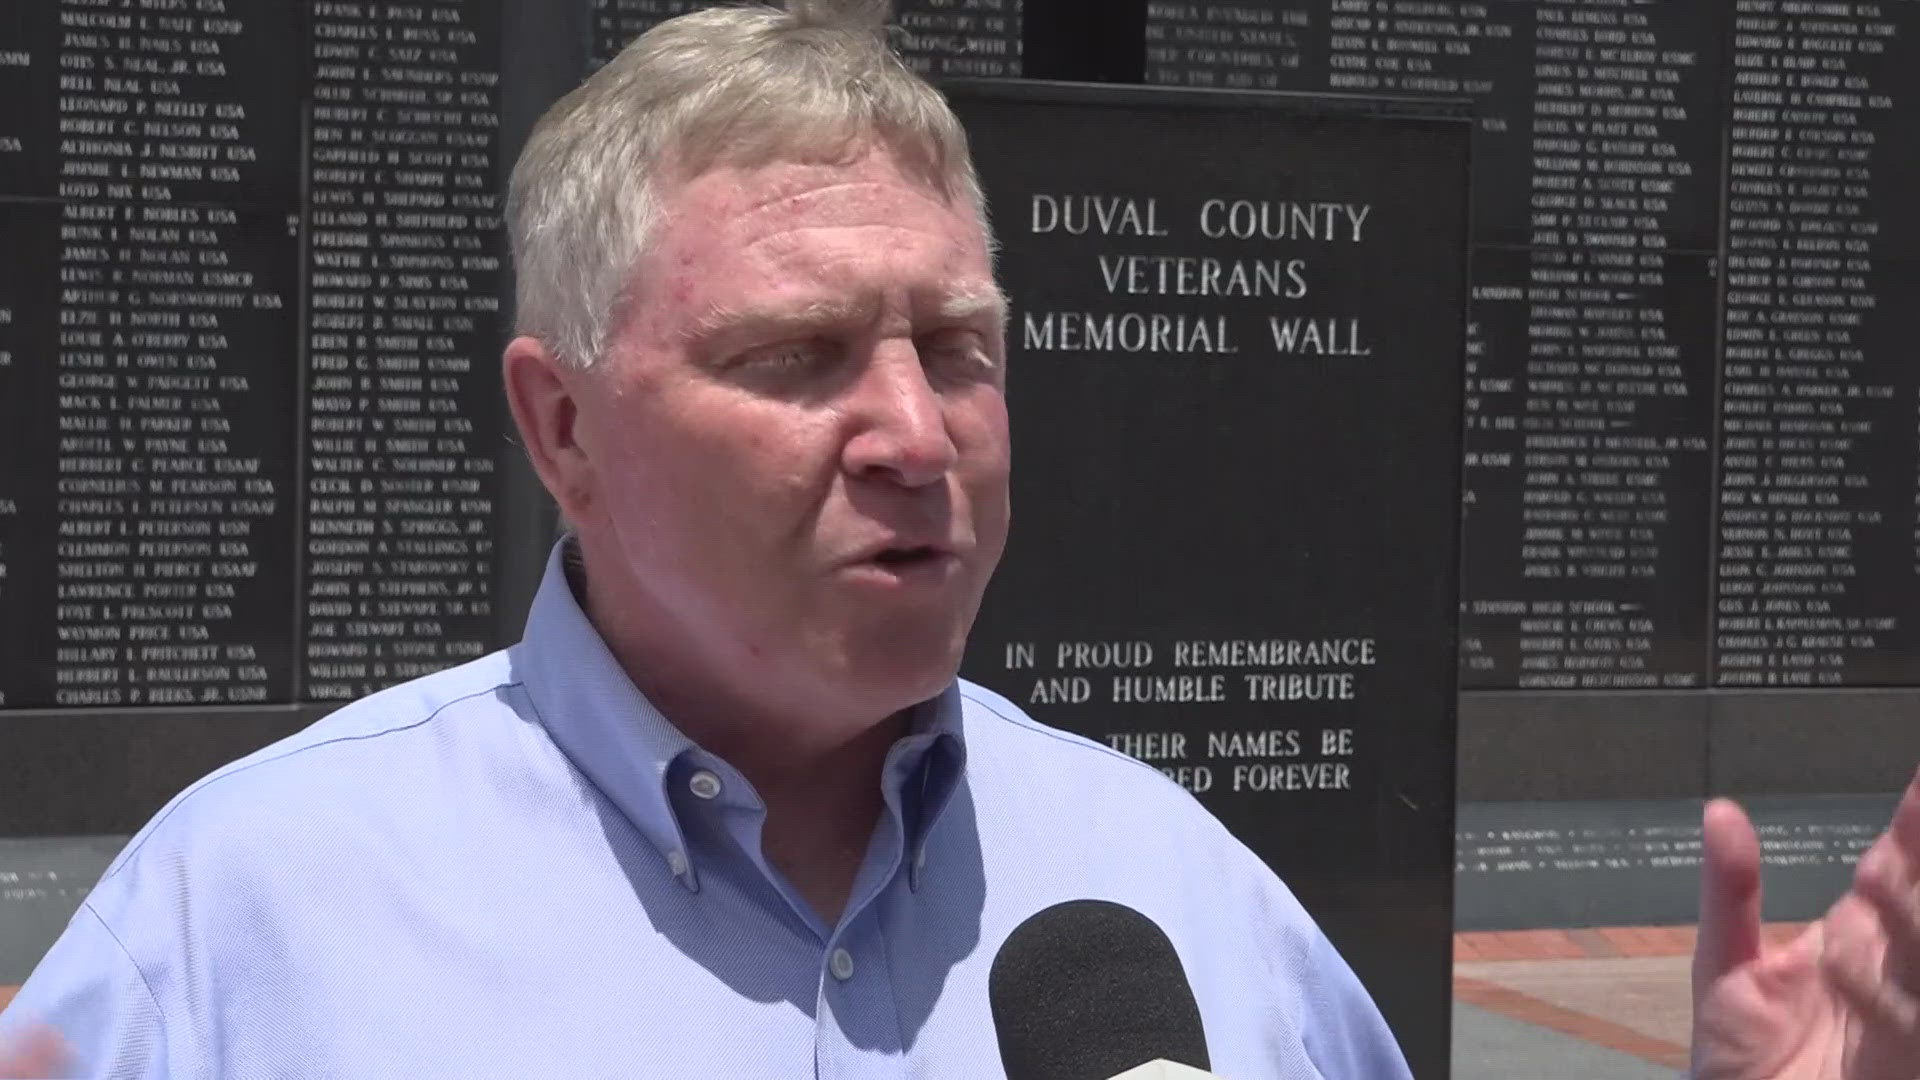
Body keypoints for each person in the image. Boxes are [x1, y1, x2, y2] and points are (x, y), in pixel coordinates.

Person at [2, 1, 1919, 1076]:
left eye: (962, 350)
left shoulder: (1186, 906)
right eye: (799, 355)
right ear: (562, 426)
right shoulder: (239, 933)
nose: (918, 433)